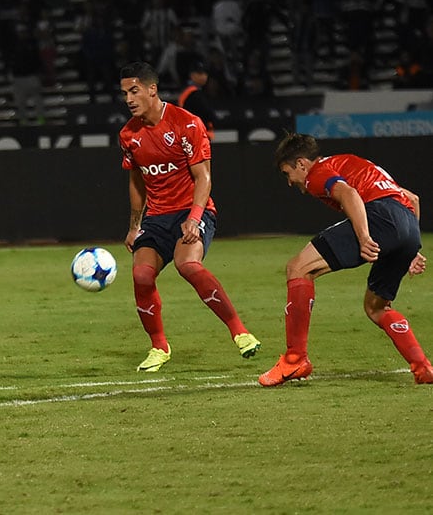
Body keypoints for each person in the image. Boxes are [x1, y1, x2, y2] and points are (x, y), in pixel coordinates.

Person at [118, 62, 261, 372]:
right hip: (157, 218)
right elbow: (137, 181)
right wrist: (134, 226)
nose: (128, 99)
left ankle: (239, 331)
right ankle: (159, 347)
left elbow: (204, 177)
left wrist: (195, 218)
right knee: (141, 275)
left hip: (192, 211)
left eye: (134, 91)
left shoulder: (187, 123)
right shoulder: (129, 135)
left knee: (187, 264)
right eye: (125, 93)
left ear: (151, 89)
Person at [259, 133, 433, 386]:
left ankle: (295, 358)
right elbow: (413, 199)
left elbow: (349, 194)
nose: (290, 182)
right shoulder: (349, 163)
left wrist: (364, 236)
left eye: (288, 173)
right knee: (376, 307)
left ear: (301, 164)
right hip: (407, 224)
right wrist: (411, 249)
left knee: (298, 268)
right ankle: (423, 367)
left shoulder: (317, 172)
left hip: (378, 217)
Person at [177, 61, 217, 140]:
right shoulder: (193, 93)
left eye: (205, 73)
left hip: (193, 134)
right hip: (195, 135)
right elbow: (208, 113)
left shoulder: (194, 91)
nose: (204, 76)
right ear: (192, 75)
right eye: (200, 73)